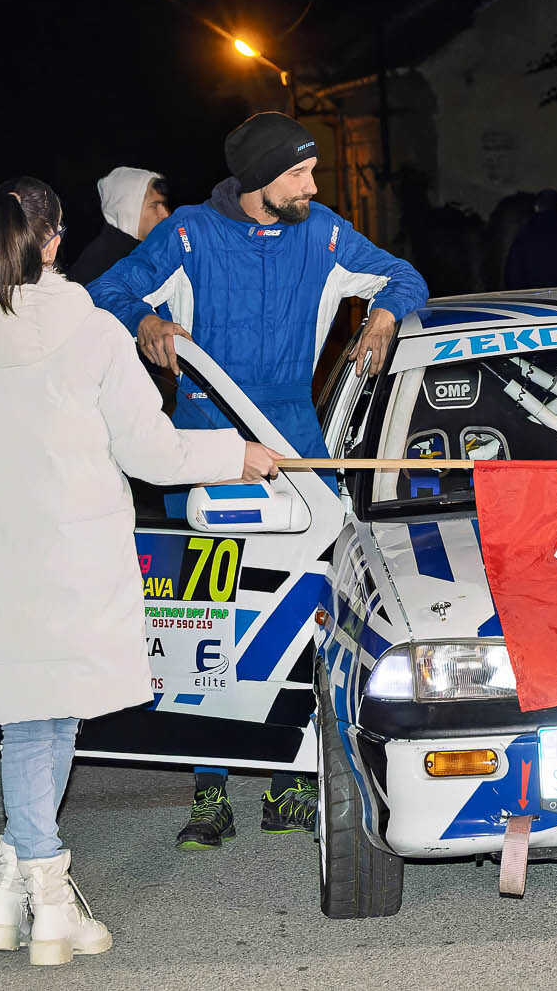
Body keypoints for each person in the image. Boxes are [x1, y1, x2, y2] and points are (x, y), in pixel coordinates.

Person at [0, 178, 280, 964]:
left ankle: (10, 882)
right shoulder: (93, 333)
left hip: (3, 557)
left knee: (43, 718)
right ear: (53, 241)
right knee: (43, 723)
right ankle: (48, 897)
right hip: (80, 561)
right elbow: (151, 452)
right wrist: (236, 454)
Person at [90, 110, 428, 850]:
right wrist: (146, 322)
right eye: (300, 173)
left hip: (293, 439)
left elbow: (406, 275)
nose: (314, 185)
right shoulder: (187, 234)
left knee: (307, 609)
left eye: (312, 171)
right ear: (259, 179)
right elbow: (103, 292)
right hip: (203, 441)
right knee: (206, 617)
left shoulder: (324, 233)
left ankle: (290, 780)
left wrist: (383, 315)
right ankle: (210, 790)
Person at [67, 168, 170, 285]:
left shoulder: (150, 255)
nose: (165, 214)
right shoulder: (97, 267)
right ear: (127, 208)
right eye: (154, 205)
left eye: (164, 204)